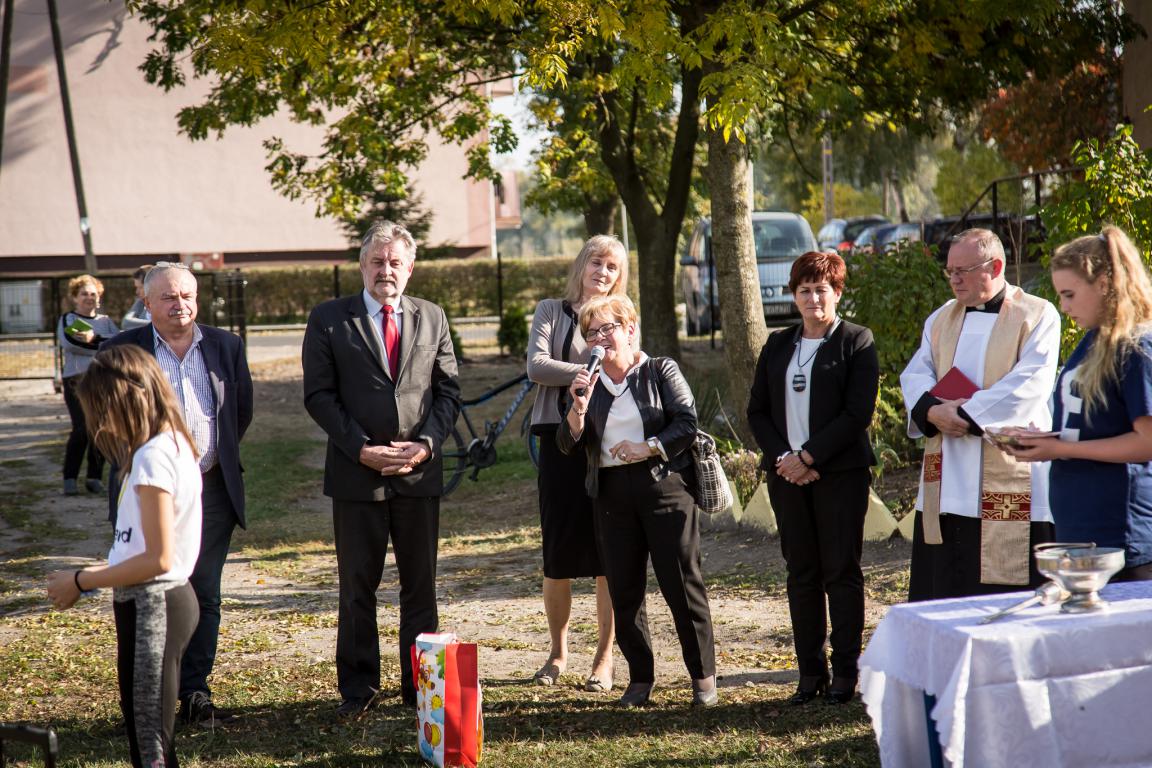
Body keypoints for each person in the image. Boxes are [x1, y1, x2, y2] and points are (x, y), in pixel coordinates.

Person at [302, 220, 461, 718]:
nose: (385, 270)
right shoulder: (328, 319)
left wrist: (426, 446)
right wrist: (361, 449)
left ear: (410, 268)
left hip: (418, 474)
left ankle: (422, 689)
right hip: (357, 476)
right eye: (377, 261)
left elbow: (449, 391)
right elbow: (319, 396)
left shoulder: (432, 316)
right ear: (362, 265)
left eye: (395, 262)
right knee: (357, 588)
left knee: (420, 588)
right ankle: (359, 690)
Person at [101, 261, 254, 727]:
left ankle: (194, 692)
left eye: (187, 295)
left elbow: (239, 413)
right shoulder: (121, 350)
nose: (179, 305)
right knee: (147, 595)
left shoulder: (226, 346)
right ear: (146, 302)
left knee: (204, 592)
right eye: (168, 297)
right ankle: (147, 701)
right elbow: (106, 423)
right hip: (150, 491)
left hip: (211, 490)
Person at [557, 294, 717, 708]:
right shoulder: (588, 383)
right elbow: (566, 443)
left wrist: (648, 447)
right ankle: (640, 679)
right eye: (591, 333)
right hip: (610, 494)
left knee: (681, 585)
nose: (599, 339)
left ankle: (703, 678)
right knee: (624, 590)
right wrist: (578, 409)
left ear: (630, 329)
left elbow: (686, 423)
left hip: (664, 488)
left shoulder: (659, 370)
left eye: (607, 329)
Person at [46, 345, 202, 768]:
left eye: (100, 409)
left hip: (156, 605)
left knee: (151, 746)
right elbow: (139, 547)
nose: (99, 423)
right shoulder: (164, 445)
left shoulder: (154, 457)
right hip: (154, 602)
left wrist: (81, 580)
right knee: (148, 737)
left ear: (123, 400)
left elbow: (158, 559)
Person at [746, 251, 879, 705]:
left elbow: (857, 413)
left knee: (840, 571)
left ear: (837, 292)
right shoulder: (778, 344)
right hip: (787, 476)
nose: (813, 298)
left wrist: (808, 455)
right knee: (801, 572)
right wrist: (785, 458)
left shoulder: (856, 341)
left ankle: (845, 673)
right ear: (794, 295)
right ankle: (809, 672)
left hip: (840, 474)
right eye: (804, 290)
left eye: (822, 289)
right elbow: (757, 411)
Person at [900, 228, 1061, 601]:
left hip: (1009, 469)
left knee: (1004, 599)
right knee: (944, 590)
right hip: (948, 477)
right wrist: (931, 411)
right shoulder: (941, 318)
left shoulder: (1037, 314)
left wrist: (963, 416)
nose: (954, 279)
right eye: (950, 271)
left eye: (963, 271)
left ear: (996, 266)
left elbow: (1030, 384)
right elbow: (916, 374)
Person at [1001, 227, 1152, 581]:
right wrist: (1044, 440)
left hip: (1121, 539)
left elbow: (1146, 442)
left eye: (1069, 295)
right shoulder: (1091, 341)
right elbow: (1090, 426)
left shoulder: (1136, 347)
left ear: (1104, 284)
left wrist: (1061, 449)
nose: (1064, 307)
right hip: (1079, 529)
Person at [526, 235, 625, 692]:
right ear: (582, 265)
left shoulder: (622, 315)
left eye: (612, 266)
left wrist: (597, 368)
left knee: (609, 554)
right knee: (558, 554)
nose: (603, 272)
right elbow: (537, 366)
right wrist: (588, 371)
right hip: (558, 440)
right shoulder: (551, 310)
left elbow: (629, 366)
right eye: (596, 263)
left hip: (608, 440)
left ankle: (604, 658)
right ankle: (557, 653)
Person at [58, 274, 120, 496]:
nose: (89, 297)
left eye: (93, 294)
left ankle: (94, 477)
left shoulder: (106, 321)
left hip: (102, 379)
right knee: (82, 428)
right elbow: (71, 344)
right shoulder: (68, 319)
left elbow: (117, 344)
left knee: (100, 428)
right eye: (84, 293)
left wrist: (92, 337)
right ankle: (70, 478)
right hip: (76, 379)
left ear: (99, 297)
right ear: (75, 297)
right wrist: (103, 341)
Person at [121, 264, 154, 330]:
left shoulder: (166, 303)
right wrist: (156, 325)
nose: (137, 292)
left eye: (140, 287)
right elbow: (126, 323)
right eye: (136, 287)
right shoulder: (141, 302)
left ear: (151, 286)